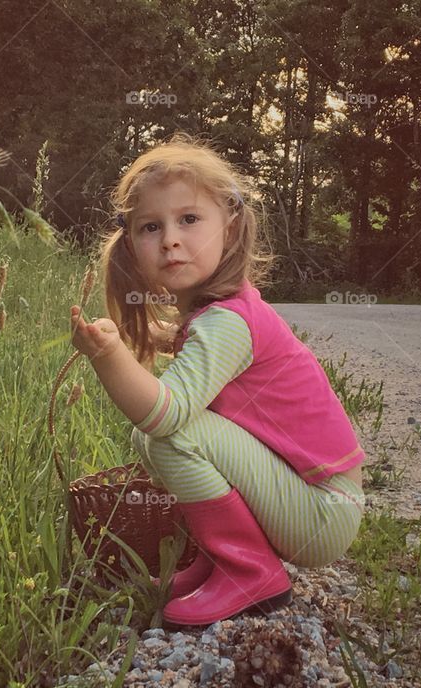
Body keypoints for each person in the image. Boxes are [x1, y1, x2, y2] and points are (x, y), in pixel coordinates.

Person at [69, 133, 366, 627]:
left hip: (321, 511)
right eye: (150, 226)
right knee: (163, 436)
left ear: (228, 227)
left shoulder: (227, 322)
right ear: (133, 246)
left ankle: (250, 571)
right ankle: (223, 557)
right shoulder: (221, 312)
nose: (170, 238)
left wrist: (108, 356)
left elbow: (165, 411)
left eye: (189, 219)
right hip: (313, 498)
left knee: (165, 433)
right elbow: (190, 342)